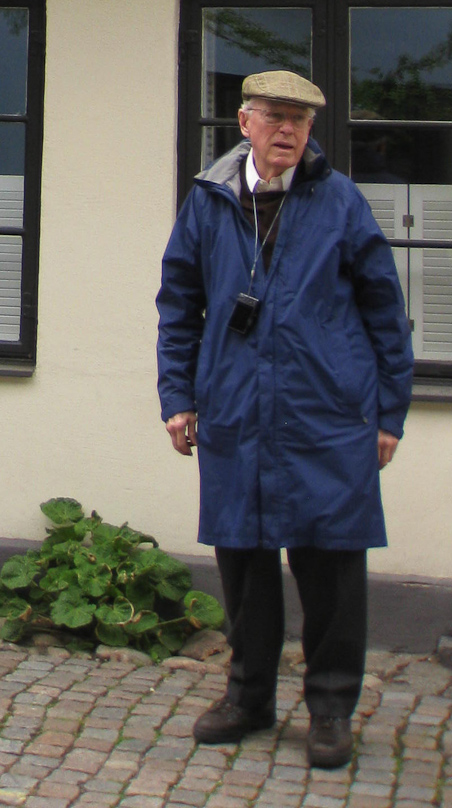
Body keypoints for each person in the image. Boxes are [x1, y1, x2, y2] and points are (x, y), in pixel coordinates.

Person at [156, 70, 413, 768]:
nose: (289, 131)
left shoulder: (340, 202)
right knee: (244, 560)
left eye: (301, 119)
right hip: (237, 408)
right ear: (245, 122)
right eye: (276, 116)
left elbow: (385, 312)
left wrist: (389, 412)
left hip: (326, 414)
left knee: (330, 564)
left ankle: (329, 708)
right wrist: (178, 397)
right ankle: (248, 698)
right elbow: (179, 304)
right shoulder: (209, 202)